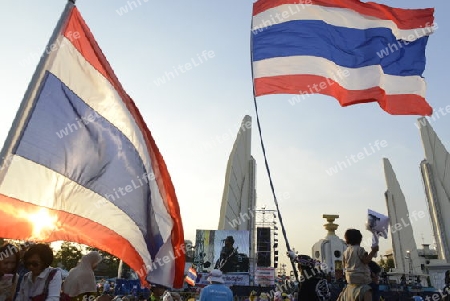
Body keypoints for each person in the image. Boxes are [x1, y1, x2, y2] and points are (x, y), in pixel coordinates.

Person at [337, 229, 378, 301]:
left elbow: (343, 266)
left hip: (350, 279)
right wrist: (373, 251)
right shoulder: (360, 250)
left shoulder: (345, 252)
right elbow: (366, 261)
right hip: (362, 279)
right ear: (359, 239)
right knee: (374, 288)